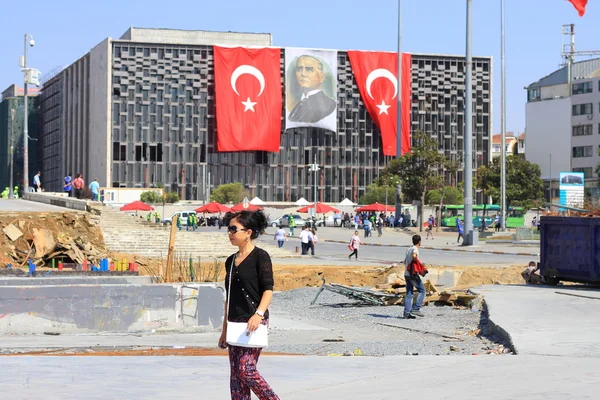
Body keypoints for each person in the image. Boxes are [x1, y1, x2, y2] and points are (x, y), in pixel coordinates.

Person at [218, 210, 280, 400]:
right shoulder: (230, 261)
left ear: (248, 232)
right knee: (236, 377)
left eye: (234, 229)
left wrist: (258, 314)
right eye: (229, 228)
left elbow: (268, 290)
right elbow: (230, 296)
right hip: (234, 322)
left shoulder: (261, 257)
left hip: (254, 320)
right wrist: (224, 330)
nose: (230, 233)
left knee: (246, 370)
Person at [288, 55, 336, 123]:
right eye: (299, 69)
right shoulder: (300, 102)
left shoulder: (329, 104)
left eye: (309, 69)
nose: (303, 74)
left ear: (322, 77)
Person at [403, 235, 426, 319]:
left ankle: (406, 313)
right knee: (422, 290)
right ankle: (416, 308)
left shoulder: (408, 249)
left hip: (406, 274)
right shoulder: (415, 249)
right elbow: (414, 256)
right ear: (419, 242)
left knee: (409, 293)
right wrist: (419, 263)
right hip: (413, 274)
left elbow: (405, 261)